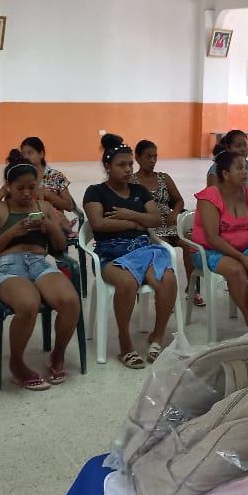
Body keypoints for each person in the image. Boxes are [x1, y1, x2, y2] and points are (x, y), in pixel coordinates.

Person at [0, 156, 80, 390]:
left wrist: (51, 226)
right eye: (20, 188)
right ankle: (17, 364)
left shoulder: (43, 207)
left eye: (31, 187)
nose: (26, 193)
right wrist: (11, 233)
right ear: (8, 187)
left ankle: (57, 355)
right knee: (27, 304)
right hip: (8, 266)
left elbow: (60, 247)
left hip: (39, 263)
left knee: (70, 301)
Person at [83, 134, 177, 368]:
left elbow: (155, 219)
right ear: (108, 167)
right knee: (127, 283)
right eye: (121, 165)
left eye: (129, 164)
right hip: (111, 254)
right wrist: (135, 224)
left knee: (168, 280)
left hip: (143, 248)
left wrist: (128, 215)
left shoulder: (139, 190)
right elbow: (98, 224)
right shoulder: (95, 192)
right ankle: (125, 342)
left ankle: (157, 336)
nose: (127, 169)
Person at [191, 151, 248, 328]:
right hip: (209, 251)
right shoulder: (209, 197)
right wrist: (241, 257)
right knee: (236, 270)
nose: (245, 172)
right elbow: (212, 237)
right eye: (239, 168)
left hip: (245, 249)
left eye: (245, 168)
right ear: (225, 174)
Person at [132, 139, 195, 299]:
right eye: (148, 156)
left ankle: (192, 288)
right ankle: (164, 293)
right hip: (149, 228)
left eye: (155, 156)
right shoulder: (132, 182)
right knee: (163, 249)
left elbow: (179, 200)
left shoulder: (163, 178)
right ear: (137, 157)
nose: (152, 160)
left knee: (190, 245)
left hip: (170, 223)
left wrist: (175, 213)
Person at [206, 129, 248, 195]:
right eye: (238, 146)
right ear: (228, 148)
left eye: (245, 145)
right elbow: (213, 196)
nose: (243, 149)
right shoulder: (217, 168)